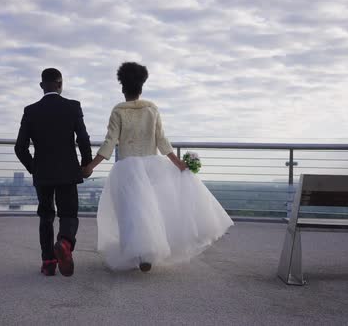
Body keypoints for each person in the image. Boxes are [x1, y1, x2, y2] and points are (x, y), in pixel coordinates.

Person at [83, 62, 233, 272]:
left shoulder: (118, 110)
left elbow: (110, 142)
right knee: (150, 209)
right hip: (152, 165)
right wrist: (178, 163)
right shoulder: (151, 109)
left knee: (131, 210)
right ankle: (147, 253)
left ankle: (139, 253)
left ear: (123, 88)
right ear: (141, 88)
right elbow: (161, 140)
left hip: (127, 167)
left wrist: (91, 166)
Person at [15, 68, 93, 277]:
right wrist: (86, 164)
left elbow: (19, 148)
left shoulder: (30, 111)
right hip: (68, 171)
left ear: (42, 86)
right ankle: (65, 243)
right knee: (68, 213)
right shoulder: (72, 107)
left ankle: (48, 262)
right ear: (61, 85)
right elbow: (83, 139)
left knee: (46, 216)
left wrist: (35, 168)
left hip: (43, 174)